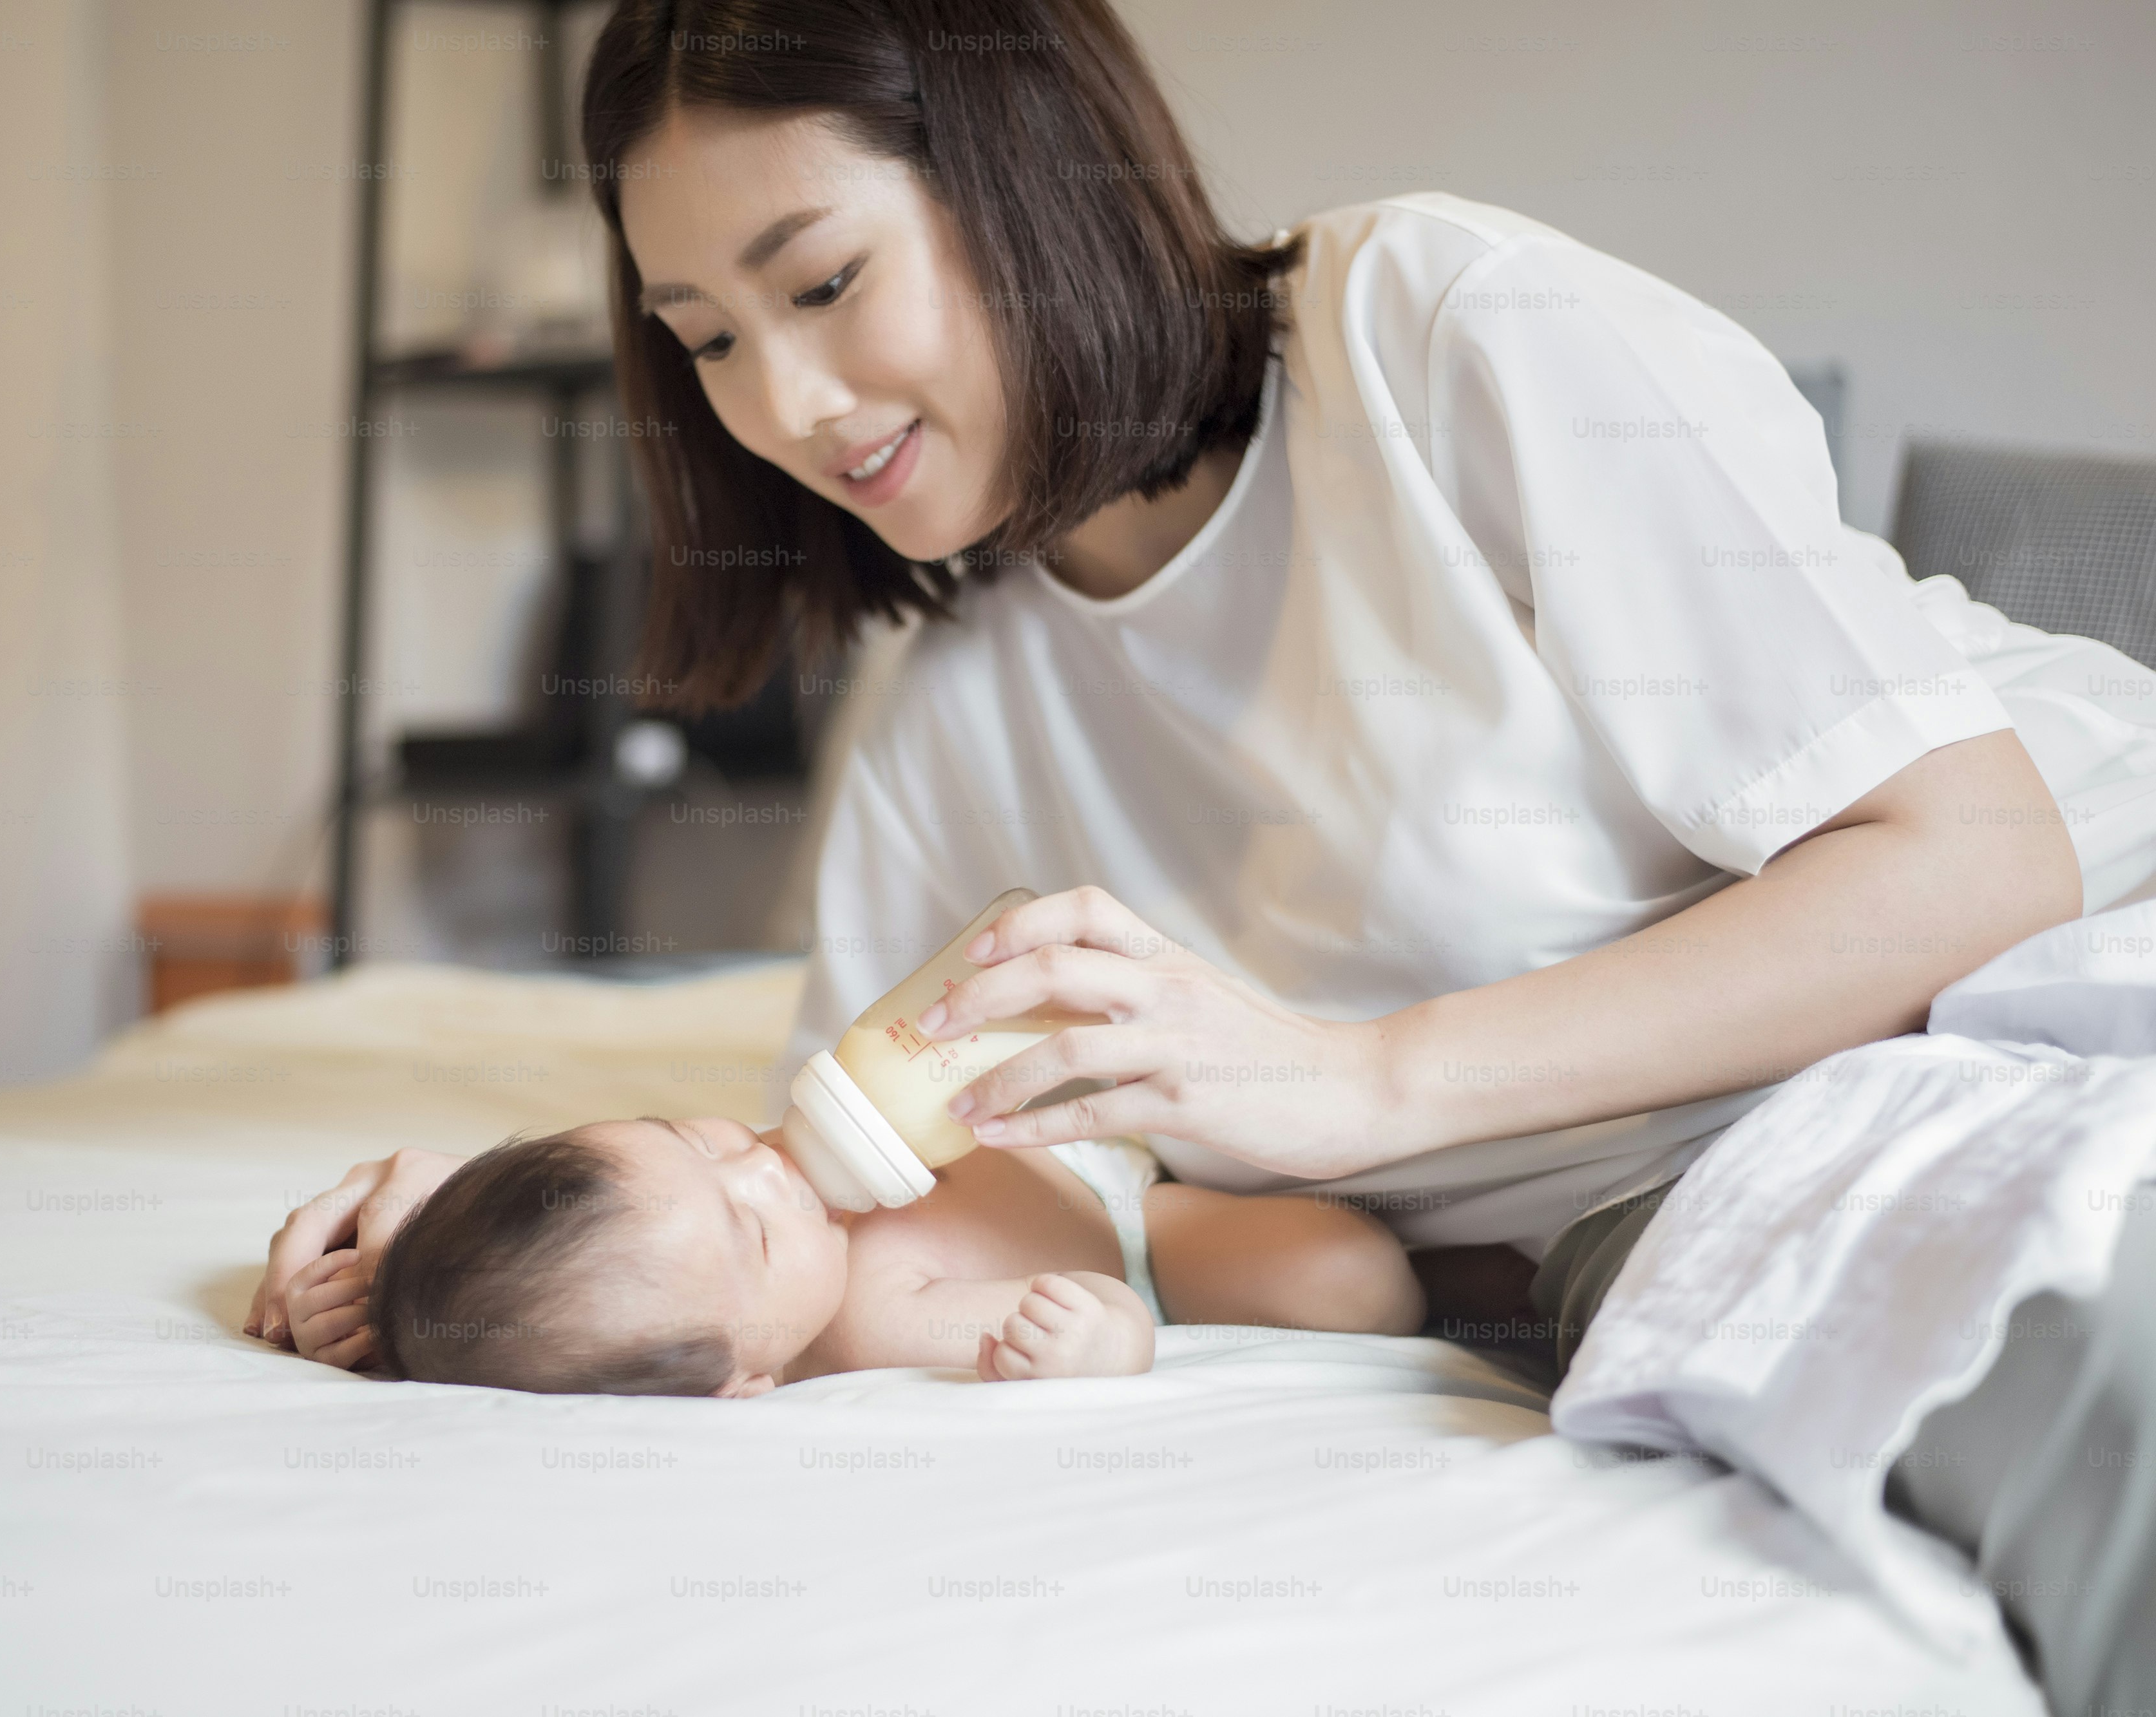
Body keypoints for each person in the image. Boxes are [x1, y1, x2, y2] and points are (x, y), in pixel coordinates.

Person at [254, 1, 2156, 1706]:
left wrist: (1366, 1085)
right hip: (1693, 1204)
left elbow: (1977, 853)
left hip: (2035, 989)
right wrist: (476, 1239)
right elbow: (830, 1218)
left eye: (822, 282)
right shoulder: (951, 706)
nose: (786, 408)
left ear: (1024, 171)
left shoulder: (1434, 333)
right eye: (708, 342)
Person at [273, 1123, 1420, 1393]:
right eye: (757, 1233)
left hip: (1043, 1128)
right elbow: (1096, 1307)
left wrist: (412, 1209)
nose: (766, 1168)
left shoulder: (628, 1209)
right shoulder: (879, 1319)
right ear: (744, 1379)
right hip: (1128, 1220)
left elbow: (515, 1214)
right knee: (1359, 1282)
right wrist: (1099, 1341)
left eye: (699, 1138)